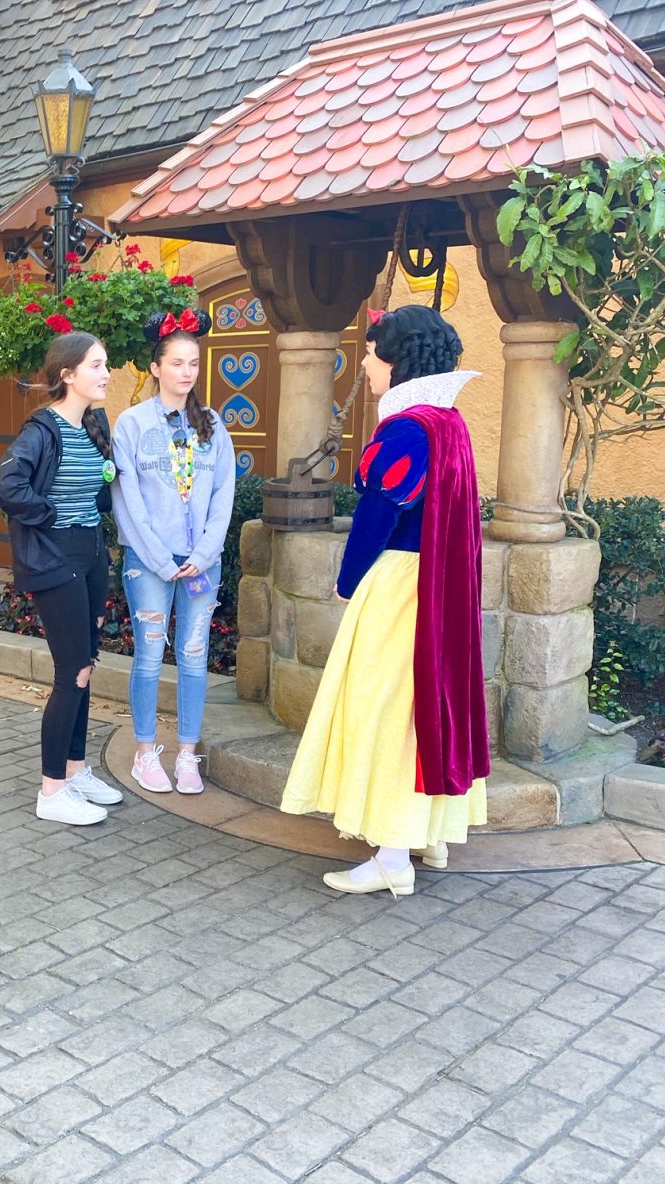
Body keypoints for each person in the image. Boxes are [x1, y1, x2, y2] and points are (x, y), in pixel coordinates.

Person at [279, 306, 491, 896]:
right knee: (423, 706)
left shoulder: (405, 429)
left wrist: (347, 581)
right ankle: (428, 832)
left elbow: (378, 514)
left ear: (397, 360)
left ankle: (392, 856)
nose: (366, 363)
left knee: (385, 709)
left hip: (402, 586)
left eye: (372, 352)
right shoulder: (448, 422)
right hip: (439, 585)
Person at [0, 331, 126, 826]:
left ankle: (76, 770)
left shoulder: (92, 424)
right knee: (73, 673)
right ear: (67, 375)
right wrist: (47, 513)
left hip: (89, 556)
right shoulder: (42, 430)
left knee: (86, 664)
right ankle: (51, 791)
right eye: (95, 365)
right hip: (54, 559)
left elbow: (100, 490)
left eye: (105, 364)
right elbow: (5, 484)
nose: (105, 373)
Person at [111, 309, 234, 795]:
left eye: (194, 364)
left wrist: (203, 554)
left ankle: (186, 753)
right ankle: (145, 753)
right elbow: (127, 501)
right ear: (156, 367)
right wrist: (162, 560)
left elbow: (224, 493)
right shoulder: (132, 425)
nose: (187, 372)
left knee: (194, 654)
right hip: (149, 563)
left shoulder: (212, 424)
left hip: (201, 563)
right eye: (177, 363)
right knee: (147, 656)